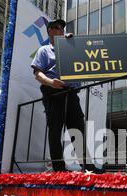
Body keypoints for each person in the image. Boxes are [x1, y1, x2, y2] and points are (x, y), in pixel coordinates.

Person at [31, 19, 103, 173]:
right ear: (50, 31)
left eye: (62, 28)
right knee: (55, 129)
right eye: (57, 28)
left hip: (71, 93)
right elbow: (38, 74)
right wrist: (51, 82)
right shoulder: (44, 50)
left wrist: (73, 44)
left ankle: (87, 166)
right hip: (53, 92)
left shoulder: (71, 48)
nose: (61, 30)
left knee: (78, 129)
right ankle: (59, 168)